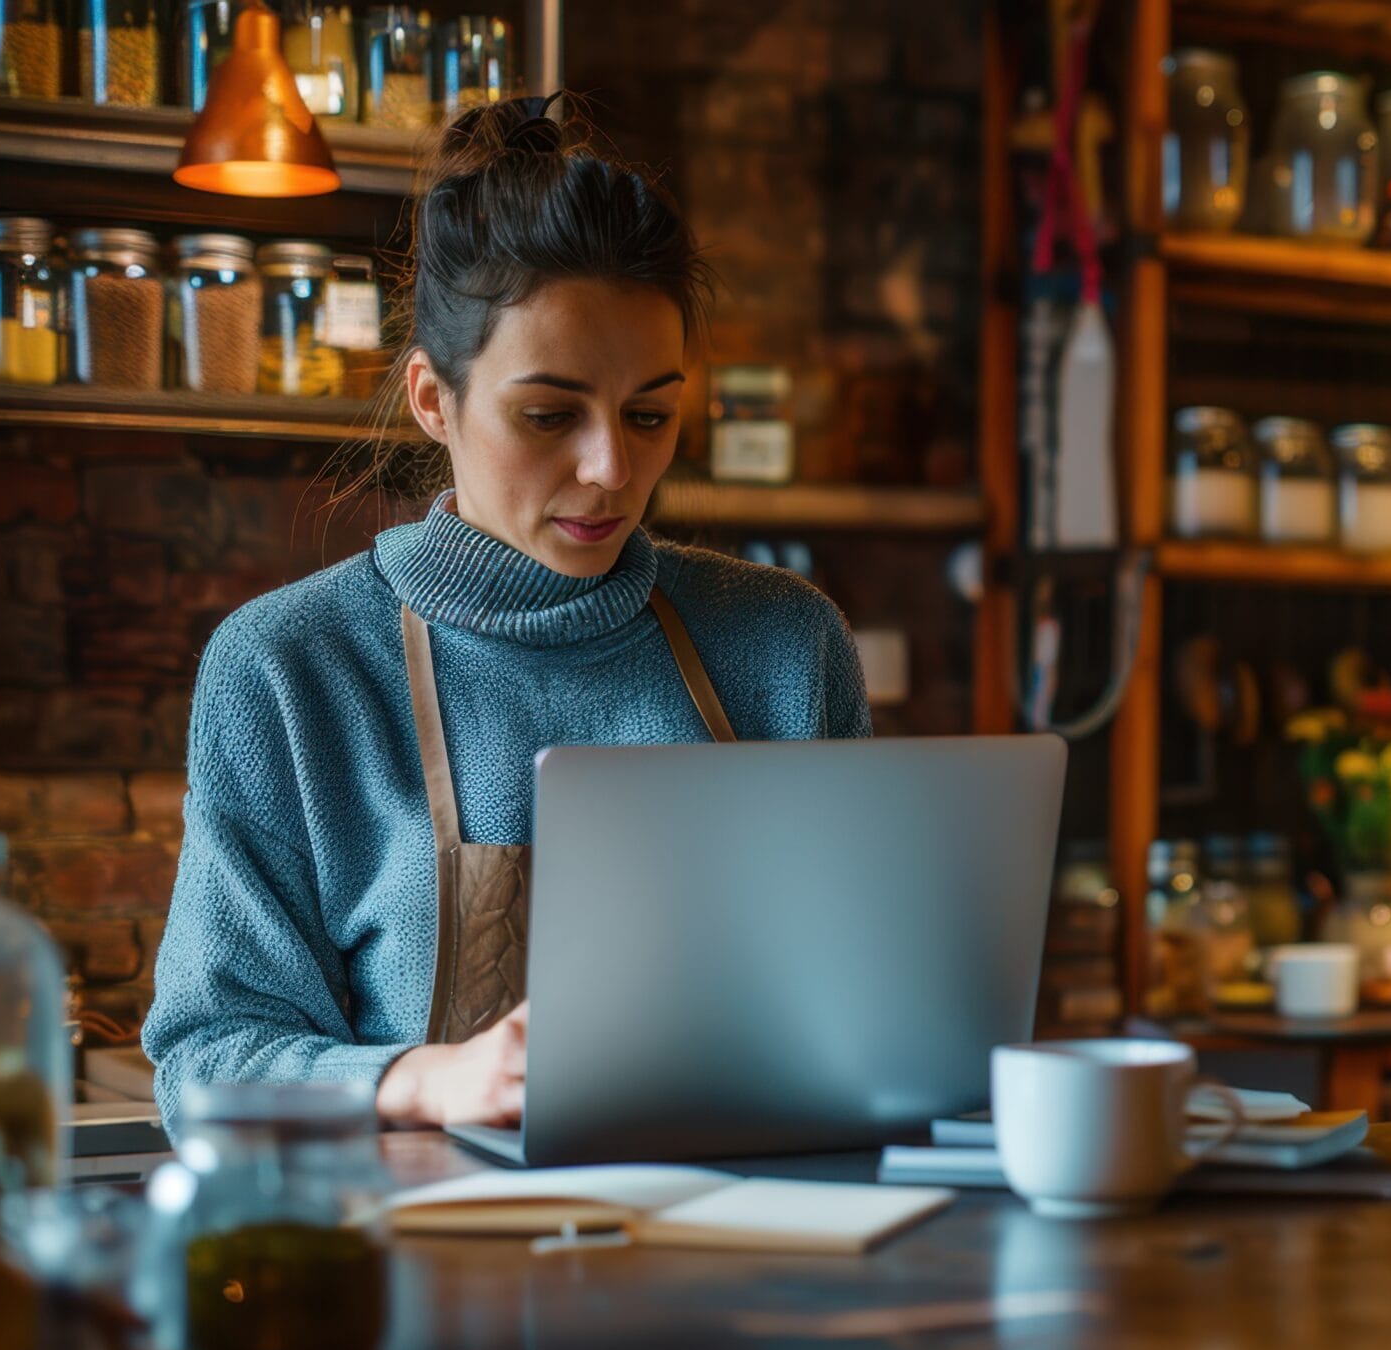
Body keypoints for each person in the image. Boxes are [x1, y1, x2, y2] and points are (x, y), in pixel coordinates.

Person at [142, 98, 871, 1129]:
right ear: (434, 400)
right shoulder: (287, 669)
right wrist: (429, 1080)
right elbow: (207, 1057)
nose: (612, 467)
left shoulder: (786, 646)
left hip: (755, 1253)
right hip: (432, 1268)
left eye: (650, 415)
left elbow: (874, 1002)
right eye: (548, 415)